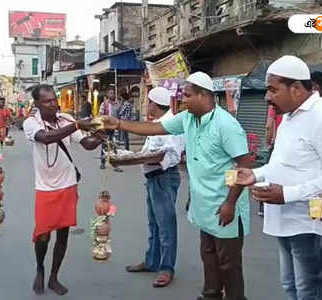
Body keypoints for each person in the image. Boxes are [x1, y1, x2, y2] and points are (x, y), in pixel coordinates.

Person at [102, 71, 251, 300]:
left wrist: (230, 202)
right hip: (204, 204)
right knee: (209, 255)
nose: (183, 100)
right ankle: (211, 294)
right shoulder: (188, 119)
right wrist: (119, 123)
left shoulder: (226, 125)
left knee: (229, 264)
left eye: (188, 96)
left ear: (204, 95)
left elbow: (243, 164)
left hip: (225, 205)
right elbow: (155, 128)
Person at [236, 55, 322, 300]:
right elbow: (282, 163)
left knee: (307, 290)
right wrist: (255, 174)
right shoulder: (290, 117)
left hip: (308, 220)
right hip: (285, 219)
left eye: (272, 89)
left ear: (297, 89)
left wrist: (287, 194)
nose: (267, 97)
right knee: (290, 286)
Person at [23, 84, 103, 296]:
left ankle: (53, 276)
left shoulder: (65, 119)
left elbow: (86, 143)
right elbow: (47, 138)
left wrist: (100, 136)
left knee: (63, 235)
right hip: (45, 188)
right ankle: (40, 268)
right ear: (37, 104)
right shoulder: (31, 123)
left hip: (68, 184)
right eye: (47, 101)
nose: (54, 104)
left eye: (54, 99)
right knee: (42, 236)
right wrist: (77, 124)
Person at [125, 87, 184, 287]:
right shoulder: (156, 124)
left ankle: (167, 268)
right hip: (153, 177)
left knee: (166, 225)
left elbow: (174, 154)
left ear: (155, 104)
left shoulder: (170, 124)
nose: (146, 105)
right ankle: (152, 261)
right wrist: (131, 157)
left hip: (164, 177)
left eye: (148, 102)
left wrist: (153, 159)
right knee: (154, 223)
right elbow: (147, 151)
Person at [99, 87, 123, 172]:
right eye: (110, 93)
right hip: (106, 128)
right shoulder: (104, 104)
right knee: (105, 145)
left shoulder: (116, 104)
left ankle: (115, 165)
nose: (112, 94)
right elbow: (101, 115)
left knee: (114, 145)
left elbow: (119, 113)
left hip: (115, 127)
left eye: (113, 93)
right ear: (107, 94)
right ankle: (102, 162)